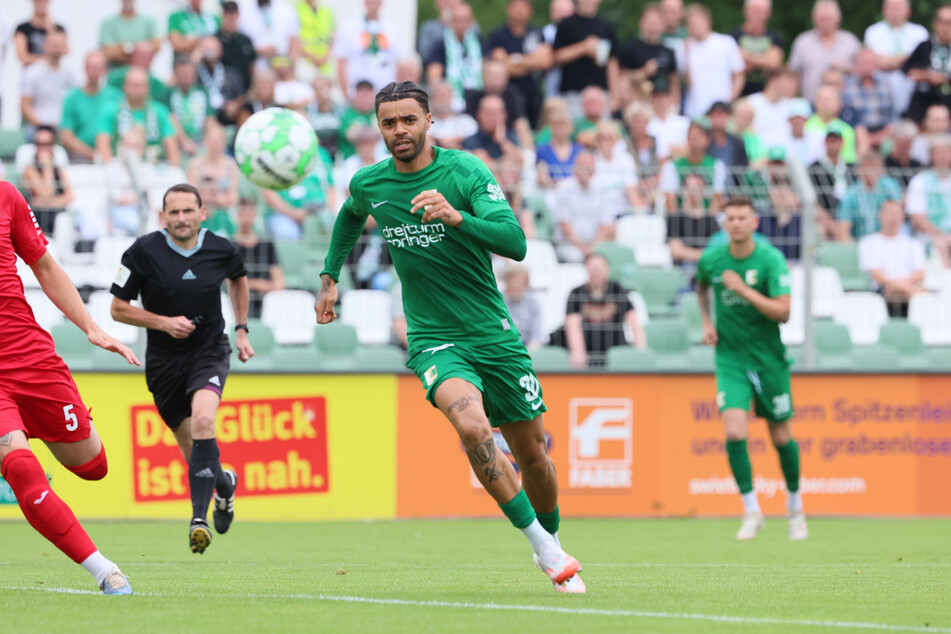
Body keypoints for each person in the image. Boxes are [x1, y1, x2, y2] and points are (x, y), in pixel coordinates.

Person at [315, 81, 586, 593]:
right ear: (379, 126)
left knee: (536, 459)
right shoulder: (370, 183)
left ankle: (551, 538)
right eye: (388, 122)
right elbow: (351, 215)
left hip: (494, 336)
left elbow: (516, 243)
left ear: (428, 121)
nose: (398, 131)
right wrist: (330, 275)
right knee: (474, 431)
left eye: (408, 120)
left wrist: (457, 217)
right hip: (435, 339)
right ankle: (546, 549)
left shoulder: (465, 172)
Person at [0, 181, 137, 594]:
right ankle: (106, 572)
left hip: (28, 355)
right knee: (23, 468)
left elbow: (44, 265)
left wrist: (92, 328)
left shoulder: (6, 195)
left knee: (92, 465)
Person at [110, 183, 254, 554]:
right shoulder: (143, 251)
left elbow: (239, 279)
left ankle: (198, 520)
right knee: (196, 455)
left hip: (208, 350)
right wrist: (163, 322)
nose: (182, 218)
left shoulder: (222, 249)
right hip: (164, 363)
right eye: (174, 212)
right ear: (163, 216)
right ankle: (225, 486)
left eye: (188, 210)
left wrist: (241, 329)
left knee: (206, 422)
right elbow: (118, 308)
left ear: (202, 212)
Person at [695, 196, 806, 542]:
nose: (737, 223)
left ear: (755, 222)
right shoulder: (712, 259)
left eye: (743, 217)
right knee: (733, 431)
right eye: (731, 218)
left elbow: (784, 312)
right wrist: (706, 322)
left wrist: (743, 290)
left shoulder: (771, 260)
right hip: (730, 358)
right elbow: (700, 286)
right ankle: (751, 511)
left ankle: (795, 507)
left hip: (769, 359)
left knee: (781, 436)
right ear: (724, 223)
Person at [564, 252, 646, 368]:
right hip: (589, 352)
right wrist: (578, 353)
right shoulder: (576, 293)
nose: (596, 272)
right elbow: (572, 324)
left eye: (599, 268)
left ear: (607, 270)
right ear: (586, 270)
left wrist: (640, 351)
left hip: (616, 350)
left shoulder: (617, 289)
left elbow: (633, 320)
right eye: (592, 268)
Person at [488, 0, 553, 130]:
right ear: (508, 9)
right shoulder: (497, 35)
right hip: (507, 95)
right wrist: (532, 61)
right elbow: (503, 67)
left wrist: (514, 59)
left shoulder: (537, 32)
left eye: (524, 7)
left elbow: (545, 62)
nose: (520, 10)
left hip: (534, 94)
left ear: (530, 11)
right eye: (516, 6)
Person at [96, 67, 179, 166]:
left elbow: (171, 146)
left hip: (153, 168)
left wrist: (173, 169)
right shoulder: (111, 110)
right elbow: (103, 144)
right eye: (133, 84)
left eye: (140, 84)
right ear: (124, 87)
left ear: (147, 88)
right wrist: (111, 168)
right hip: (119, 166)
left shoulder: (159, 111)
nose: (137, 88)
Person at [859, 199, 925, 317]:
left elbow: (920, 273)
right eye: (889, 213)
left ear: (902, 217)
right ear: (880, 216)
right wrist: (900, 284)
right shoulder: (868, 242)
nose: (892, 218)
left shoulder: (913, 243)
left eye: (896, 214)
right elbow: (876, 275)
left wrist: (903, 284)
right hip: (883, 289)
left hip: (909, 286)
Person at [864, 0, 928, 118]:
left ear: (908, 11)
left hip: (913, 94)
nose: (895, 12)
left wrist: (890, 60)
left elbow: (922, 63)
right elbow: (879, 63)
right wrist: (909, 60)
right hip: (881, 94)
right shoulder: (873, 32)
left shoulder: (920, 32)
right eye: (891, 8)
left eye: (898, 8)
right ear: (884, 11)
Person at [788, 0, 861, 103]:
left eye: (829, 18)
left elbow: (863, 72)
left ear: (838, 18)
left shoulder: (851, 42)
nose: (826, 21)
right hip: (810, 103)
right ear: (814, 19)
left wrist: (845, 68)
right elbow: (793, 75)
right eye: (822, 18)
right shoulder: (802, 42)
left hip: (845, 105)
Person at [682, 3, 745, 120]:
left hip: (721, 112)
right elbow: (687, 83)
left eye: (697, 23)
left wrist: (729, 101)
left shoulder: (726, 43)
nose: (694, 27)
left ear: (707, 22)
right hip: (694, 112)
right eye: (691, 24)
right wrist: (686, 55)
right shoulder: (685, 48)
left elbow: (739, 75)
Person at [552, 0, 618, 111]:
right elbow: (557, 57)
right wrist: (584, 48)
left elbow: (612, 63)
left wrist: (615, 96)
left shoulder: (606, 27)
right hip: (572, 95)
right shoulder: (565, 25)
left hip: (601, 95)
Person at [552, 152, 616, 262]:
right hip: (568, 245)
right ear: (575, 168)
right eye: (582, 166)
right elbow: (565, 226)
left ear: (594, 170)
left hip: (595, 245)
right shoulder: (563, 188)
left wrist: (592, 247)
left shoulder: (602, 191)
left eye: (589, 167)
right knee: (576, 257)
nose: (586, 170)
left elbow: (606, 225)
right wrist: (583, 249)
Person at [59, 51, 122, 162]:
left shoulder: (116, 97)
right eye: (91, 67)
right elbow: (66, 135)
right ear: (85, 68)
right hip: (80, 156)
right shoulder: (71, 98)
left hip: (112, 155)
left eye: (98, 67)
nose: (94, 71)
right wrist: (91, 154)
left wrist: (105, 153)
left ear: (104, 70)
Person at [333, 0, 401, 101]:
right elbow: (341, 61)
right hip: (356, 94)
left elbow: (397, 63)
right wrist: (346, 95)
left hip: (386, 94)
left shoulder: (392, 28)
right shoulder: (348, 26)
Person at [233, 198, 285, 319]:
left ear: (255, 215)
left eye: (250, 213)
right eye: (243, 213)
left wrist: (264, 286)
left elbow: (279, 282)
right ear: (237, 215)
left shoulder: (266, 245)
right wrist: (258, 284)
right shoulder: (230, 246)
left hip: (266, 298)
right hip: (239, 299)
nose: (246, 218)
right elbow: (230, 282)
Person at [659, 122, 727, 213]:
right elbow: (670, 198)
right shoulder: (672, 166)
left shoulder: (717, 165)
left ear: (707, 140)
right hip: (681, 219)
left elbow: (717, 197)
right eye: (691, 138)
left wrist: (708, 222)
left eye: (698, 138)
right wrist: (676, 222)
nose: (694, 141)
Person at [618, 4, 679, 104]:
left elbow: (674, 83)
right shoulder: (630, 49)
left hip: (662, 105)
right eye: (649, 22)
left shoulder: (668, 52)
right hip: (637, 103)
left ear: (662, 25)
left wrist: (674, 104)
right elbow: (622, 79)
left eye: (655, 23)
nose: (652, 27)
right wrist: (643, 72)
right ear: (641, 22)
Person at [425, 2, 483, 107]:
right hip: (451, 99)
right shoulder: (441, 44)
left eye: (464, 20)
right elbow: (433, 75)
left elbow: (485, 67)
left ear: (470, 21)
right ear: (450, 21)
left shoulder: (478, 43)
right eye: (457, 19)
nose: (460, 23)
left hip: (476, 97)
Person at [20, 27, 73, 142]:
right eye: (53, 44)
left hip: (64, 127)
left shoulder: (71, 73)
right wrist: (44, 126)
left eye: (60, 44)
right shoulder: (33, 72)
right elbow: (25, 106)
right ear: (44, 46)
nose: (57, 48)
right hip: (38, 126)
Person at [188, 122, 241, 236]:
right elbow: (193, 197)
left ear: (224, 142)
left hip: (225, 214)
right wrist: (220, 199)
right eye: (212, 139)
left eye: (218, 139)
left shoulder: (231, 165)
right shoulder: (195, 164)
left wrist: (209, 198)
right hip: (201, 213)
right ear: (205, 141)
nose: (215, 143)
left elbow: (232, 198)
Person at [836, 152, 902, 241]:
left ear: (882, 170)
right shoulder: (851, 195)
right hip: (860, 244)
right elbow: (843, 230)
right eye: (867, 168)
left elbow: (897, 215)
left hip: (887, 243)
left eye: (875, 167)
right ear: (858, 170)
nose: (871, 172)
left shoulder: (888, 187)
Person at [906, 134, 951, 266]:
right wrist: (940, 236)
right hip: (929, 238)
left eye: (946, 152)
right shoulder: (919, 181)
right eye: (938, 152)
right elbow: (918, 218)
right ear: (931, 156)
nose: (942, 156)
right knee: (940, 246)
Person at [20, 125, 73, 237]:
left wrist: (48, 202)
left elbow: (69, 197)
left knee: (64, 222)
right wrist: (47, 167)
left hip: (55, 217)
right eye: (38, 144)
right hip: (36, 220)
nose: (42, 148)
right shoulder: (29, 169)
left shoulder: (59, 169)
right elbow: (46, 193)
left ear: (52, 146)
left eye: (46, 144)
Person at [902, 5, 951, 124]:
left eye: (949, 22)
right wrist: (923, 75)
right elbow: (906, 68)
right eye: (942, 21)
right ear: (935, 23)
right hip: (924, 100)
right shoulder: (925, 46)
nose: (945, 27)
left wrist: (944, 79)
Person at [841, 48, 896, 151]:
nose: (867, 66)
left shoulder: (886, 87)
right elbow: (847, 119)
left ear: (876, 65)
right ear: (856, 65)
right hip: (858, 134)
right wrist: (866, 137)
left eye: (870, 62)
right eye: (864, 62)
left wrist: (882, 135)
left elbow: (892, 116)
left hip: (883, 134)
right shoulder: (847, 89)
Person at [666, 172, 721, 265]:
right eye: (690, 188)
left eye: (698, 188)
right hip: (684, 266)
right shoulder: (675, 218)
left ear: (704, 191)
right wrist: (704, 255)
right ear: (683, 190)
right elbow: (676, 251)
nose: (693, 192)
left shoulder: (710, 219)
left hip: (706, 265)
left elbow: (717, 249)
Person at [731, 0, 784, 96]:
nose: (756, 15)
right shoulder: (733, 36)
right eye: (754, 10)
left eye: (760, 11)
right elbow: (733, 62)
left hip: (766, 96)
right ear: (745, 11)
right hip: (739, 94)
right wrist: (763, 59)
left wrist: (746, 58)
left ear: (768, 13)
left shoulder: (775, 37)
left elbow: (774, 63)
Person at [239, 0, 301, 73]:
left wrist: (291, 64)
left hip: (283, 65)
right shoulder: (243, 8)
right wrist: (255, 51)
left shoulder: (286, 9)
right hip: (253, 66)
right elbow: (236, 40)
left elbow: (294, 41)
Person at [99, 0, 161, 70]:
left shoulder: (150, 22)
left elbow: (157, 46)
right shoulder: (108, 24)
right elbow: (108, 53)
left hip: (143, 74)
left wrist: (123, 48)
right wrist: (139, 51)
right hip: (116, 73)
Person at [217, 1, 258, 94]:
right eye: (228, 14)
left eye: (233, 14)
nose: (231, 18)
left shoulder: (246, 40)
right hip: (222, 91)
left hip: (244, 91)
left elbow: (252, 68)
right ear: (223, 15)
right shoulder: (216, 40)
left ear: (238, 15)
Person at [295, 0, 335, 82]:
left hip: (325, 64)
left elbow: (332, 35)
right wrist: (312, 57)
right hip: (305, 63)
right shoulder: (296, 9)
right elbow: (293, 38)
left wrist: (325, 57)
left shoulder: (326, 10)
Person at [14, 0, 64, 68]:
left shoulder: (58, 28)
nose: (41, 2)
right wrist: (47, 59)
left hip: (54, 74)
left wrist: (50, 29)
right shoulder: (22, 28)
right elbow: (23, 57)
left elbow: (63, 50)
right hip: (31, 75)